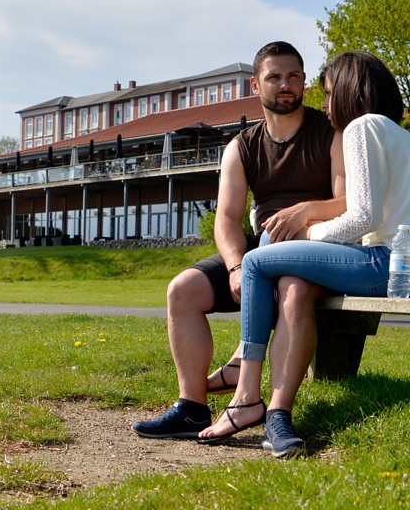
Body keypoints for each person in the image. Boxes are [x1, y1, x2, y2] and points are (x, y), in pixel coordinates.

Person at [197, 51, 410, 456]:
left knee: (258, 258)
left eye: (330, 95)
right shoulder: (397, 132)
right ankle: (253, 394)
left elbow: (362, 215)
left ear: (350, 91)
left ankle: (246, 394)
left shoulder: (361, 129)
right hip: (400, 263)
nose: (326, 105)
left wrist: (309, 232)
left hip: (383, 262)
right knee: (272, 254)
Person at [132, 41, 346, 441]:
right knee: (182, 291)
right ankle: (192, 407)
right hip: (259, 248)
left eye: (294, 76)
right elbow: (227, 218)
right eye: (275, 77)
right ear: (255, 85)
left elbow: (346, 203)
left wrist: (305, 211)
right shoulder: (242, 146)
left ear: (304, 82)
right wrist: (234, 265)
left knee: (293, 291)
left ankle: (277, 414)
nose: (286, 84)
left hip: (314, 247)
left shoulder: (329, 133)